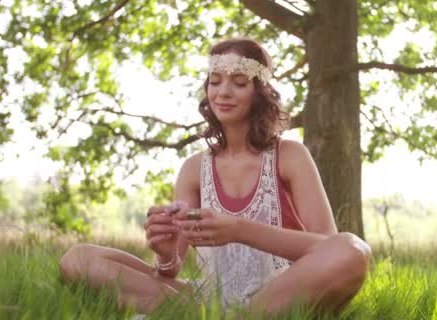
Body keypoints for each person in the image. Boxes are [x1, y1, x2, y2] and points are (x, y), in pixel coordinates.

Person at [59, 37, 371, 316]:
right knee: (79, 258)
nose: (223, 91)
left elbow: (326, 247)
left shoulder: (289, 155)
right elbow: (169, 272)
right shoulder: (194, 168)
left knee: (352, 251)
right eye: (215, 80)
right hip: (205, 297)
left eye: (238, 82)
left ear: (259, 92)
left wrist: (237, 229)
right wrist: (166, 254)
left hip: (277, 296)